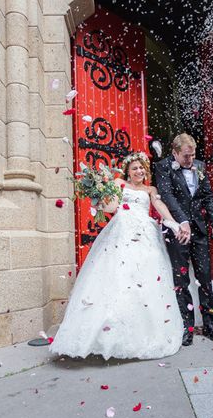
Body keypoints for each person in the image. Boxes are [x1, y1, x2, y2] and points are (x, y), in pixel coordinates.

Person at [49, 152, 185, 360]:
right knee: (119, 276)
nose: (139, 171)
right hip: (122, 232)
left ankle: (141, 331)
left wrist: (173, 223)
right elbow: (112, 206)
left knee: (145, 278)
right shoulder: (119, 183)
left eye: (141, 168)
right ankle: (104, 334)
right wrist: (97, 200)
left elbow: (159, 206)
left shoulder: (150, 189)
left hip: (145, 235)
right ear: (128, 171)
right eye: (135, 168)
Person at [154, 133, 213, 346]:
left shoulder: (200, 166)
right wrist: (182, 221)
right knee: (181, 280)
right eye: (185, 156)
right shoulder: (162, 167)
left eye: (192, 155)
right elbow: (166, 195)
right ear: (174, 152)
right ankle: (188, 327)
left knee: (204, 277)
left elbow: (208, 196)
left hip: (200, 230)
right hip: (177, 232)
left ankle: (210, 325)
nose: (190, 160)